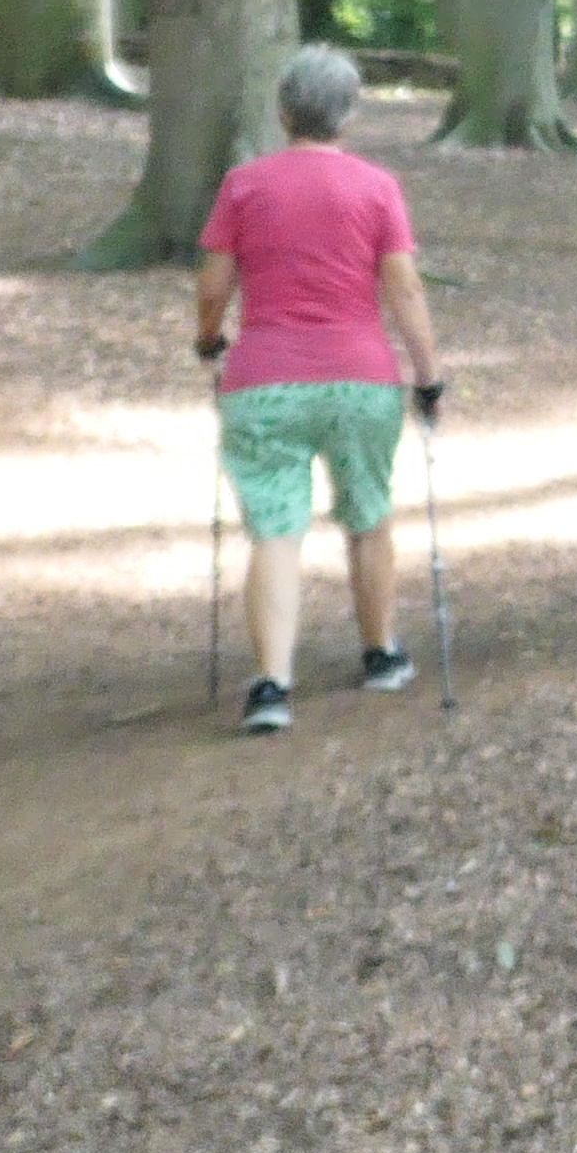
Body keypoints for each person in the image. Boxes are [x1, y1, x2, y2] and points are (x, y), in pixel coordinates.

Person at [193, 44, 447, 734]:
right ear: (351, 114)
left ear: (282, 111)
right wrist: (427, 376)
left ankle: (272, 686)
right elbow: (404, 287)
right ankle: (380, 653)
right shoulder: (376, 188)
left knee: (275, 531)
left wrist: (209, 339)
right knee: (368, 518)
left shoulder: (244, 186)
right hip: (360, 381)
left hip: (265, 380)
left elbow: (214, 284)